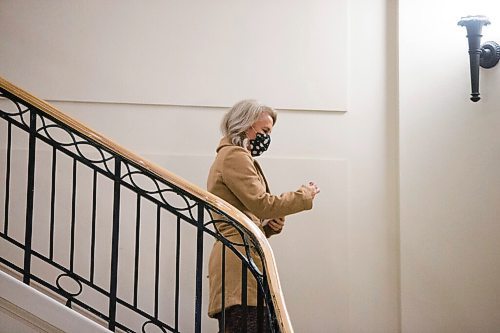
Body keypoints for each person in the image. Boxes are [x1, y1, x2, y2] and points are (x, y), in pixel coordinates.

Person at [206, 99, 320, 332]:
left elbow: (250, 214)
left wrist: (268, 227)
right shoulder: (234, 156)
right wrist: (303, 196)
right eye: (265, 130)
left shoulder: (235, 156)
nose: (267, 137)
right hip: (238, 263)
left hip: (242, 259)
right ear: (246, 125)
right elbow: (261, 204)